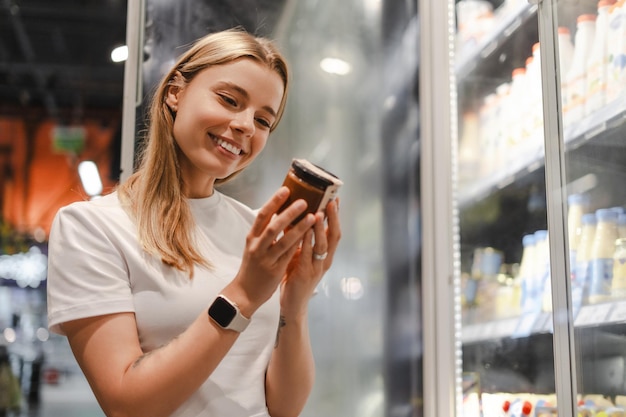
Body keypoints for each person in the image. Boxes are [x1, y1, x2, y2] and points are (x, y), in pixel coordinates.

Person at [46, 28, 341, 417]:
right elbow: (125, 403)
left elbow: (284, 407)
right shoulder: (92, 227)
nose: (245, 126)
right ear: (175, 92)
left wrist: (296, 301)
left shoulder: (256, 233)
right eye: (229, 99)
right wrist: (242, 296)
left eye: (263, 120)